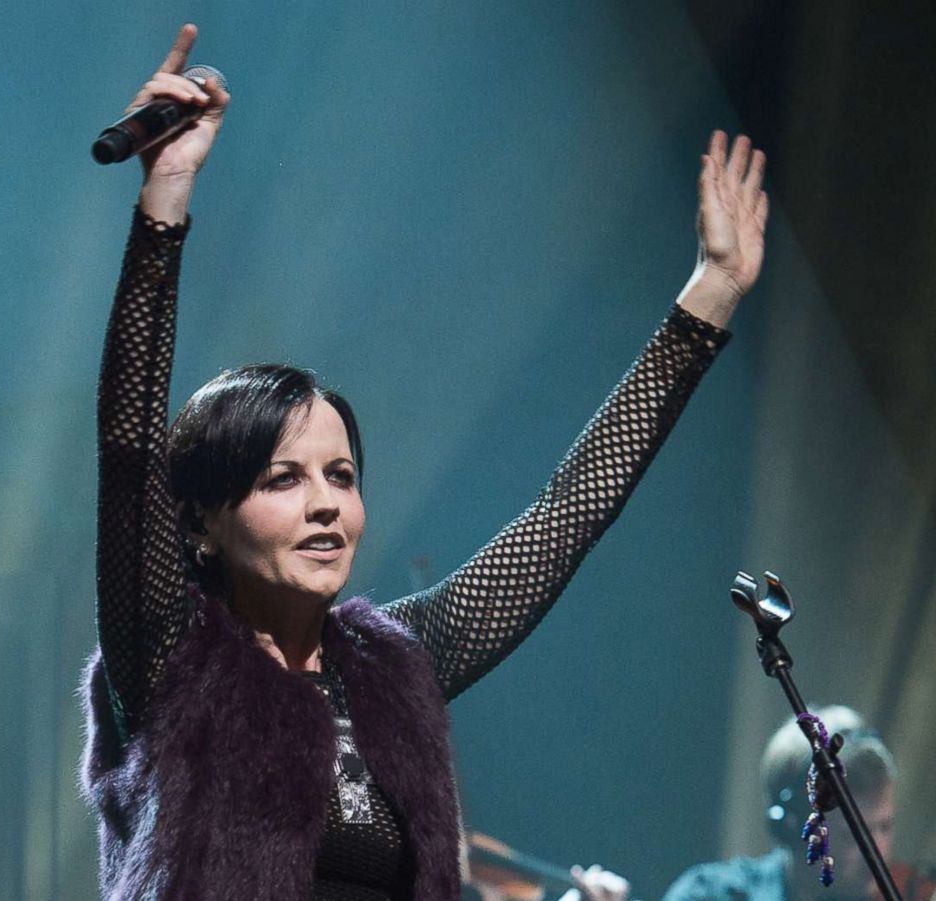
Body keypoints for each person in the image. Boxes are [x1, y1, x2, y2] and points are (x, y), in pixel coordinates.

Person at [81, 23, 768, 901]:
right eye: (282, 479)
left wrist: (710, 295)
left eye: (340, 475)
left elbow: (565, 516)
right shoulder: (171, 656)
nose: (326, 503)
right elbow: (130, 447)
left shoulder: (391, 667)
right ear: (203, 526)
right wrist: (165, 199)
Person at [663, 706, 923, 901]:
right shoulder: (714, 894)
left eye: (885, 827)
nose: (876, 851)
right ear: (793, 827)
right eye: (852, 835)